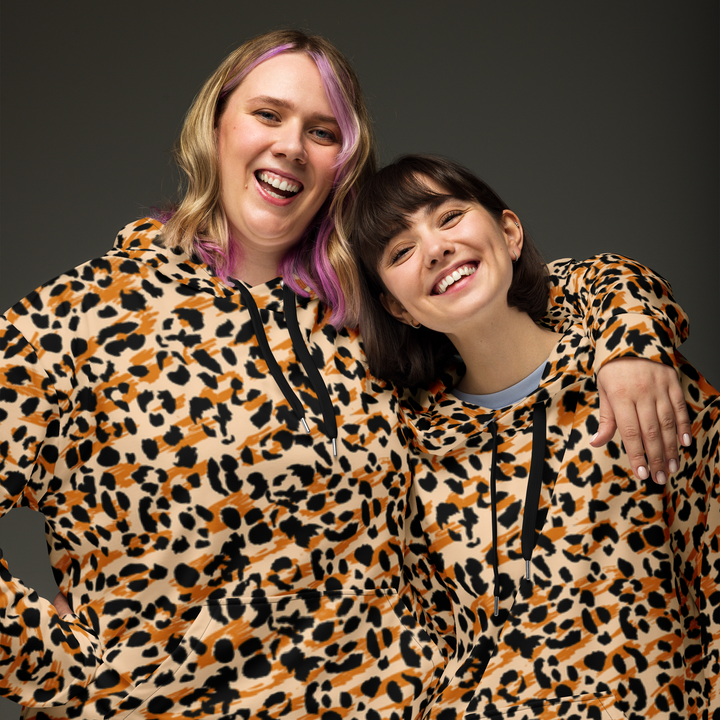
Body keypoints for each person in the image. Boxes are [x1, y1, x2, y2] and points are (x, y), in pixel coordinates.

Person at [0, 30, 695, 720]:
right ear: (215, 126)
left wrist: (631, 337)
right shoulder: (82, 318)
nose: (291, 146)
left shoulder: (368, 316)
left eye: (322, 131)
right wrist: (75, 678)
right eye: (267, 114)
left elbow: (521, 293)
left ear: (344, 164)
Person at [349, 154, 719, 719]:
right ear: (399, 308)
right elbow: (429, 650)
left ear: (509, 232)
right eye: (401, 252)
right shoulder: (415, 452)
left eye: (449, 217)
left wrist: (631, 333)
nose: (435, 249)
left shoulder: (634, 377)